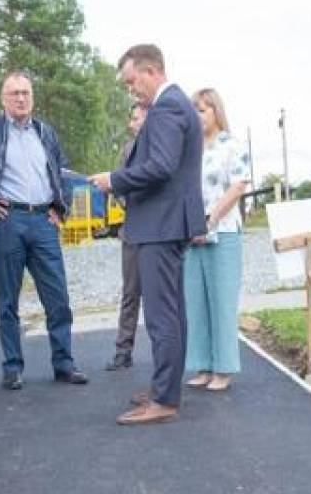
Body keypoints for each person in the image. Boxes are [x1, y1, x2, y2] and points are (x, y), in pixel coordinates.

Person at [88, 44, 205, 425]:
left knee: (161, 316)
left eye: (131, 81)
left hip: (161, 225)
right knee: (170, 313)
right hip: (166, 223)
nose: (130, 90)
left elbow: (161, 166)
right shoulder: (174, 106)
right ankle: (164, 387)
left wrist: (114, 180)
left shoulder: (168, 107)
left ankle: (165, 399)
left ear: (151, 71)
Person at [0, 70, 88, 390]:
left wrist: (61, 209)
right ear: (2, 99)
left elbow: (60, 171)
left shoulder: (45, 133)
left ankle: (64, 363)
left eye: (26, 93)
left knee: (57, 296)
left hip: (43, 223)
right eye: (14, 93)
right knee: (7, 299)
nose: (21, 98)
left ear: (32, 98)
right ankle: (12, 367)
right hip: (8, 222)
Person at [183, 89, 250, 392]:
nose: (197, 116)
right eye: (194, 110)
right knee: (195, 302)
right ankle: (203, 365)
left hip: (222, 233)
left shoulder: (232, 145)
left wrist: (208, 220)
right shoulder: (191, 149)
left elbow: (237, 188)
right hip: (192, 236)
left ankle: (223, 368)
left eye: (202, 110)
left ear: (215, 111)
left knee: (221, 303)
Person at [106, 102, 147, 371]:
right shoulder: (128, 150)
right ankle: (123, 351)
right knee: (130, 293)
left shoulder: (165, 145)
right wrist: (121, 195)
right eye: (131, 119)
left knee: (162, 297)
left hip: (161, 232)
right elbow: (120, 184)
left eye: (135, 119)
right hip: (132, 229)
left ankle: (168, 356)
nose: (131, 124)